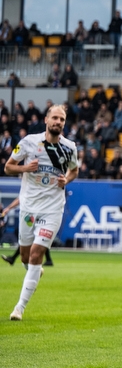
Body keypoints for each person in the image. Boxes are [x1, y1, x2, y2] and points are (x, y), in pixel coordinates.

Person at [6, 106, 78, 321]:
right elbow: (9, 167)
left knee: (37, 253)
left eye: (62, 119)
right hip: (29, 208)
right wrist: (25, 169)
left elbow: (74, 170)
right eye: (55, 117)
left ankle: (19, 307)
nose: (58, 121)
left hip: (53, 208)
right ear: (46, 120)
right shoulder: (29, 142)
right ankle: (34, 271)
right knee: (26, 258)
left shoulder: (69, 147)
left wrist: (67, 179)